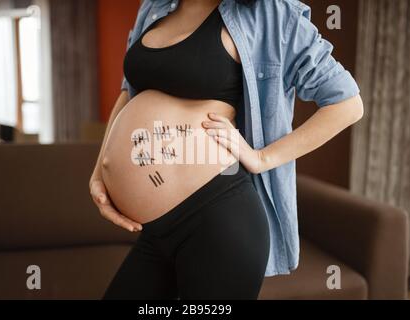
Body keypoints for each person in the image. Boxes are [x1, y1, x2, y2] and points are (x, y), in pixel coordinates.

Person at [90, 0, 364, 300]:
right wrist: (100, 172)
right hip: (155, 231)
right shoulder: (154, 6)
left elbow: (347, 104)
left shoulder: (274, 14)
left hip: (218, 220)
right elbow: (128, 93)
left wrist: (261, 158)